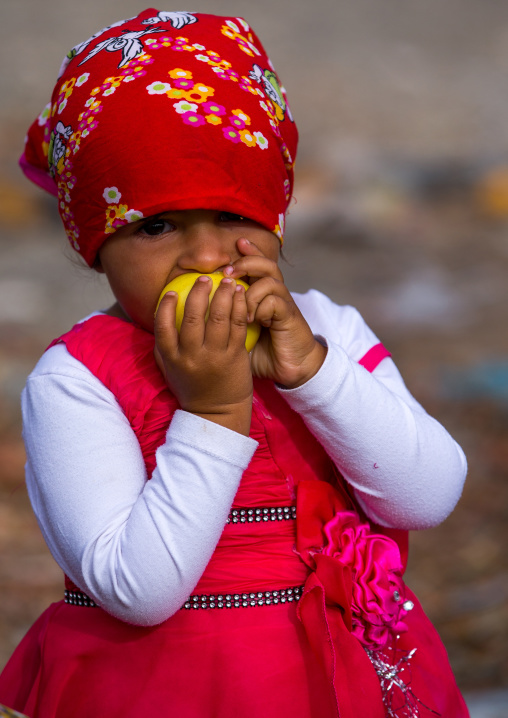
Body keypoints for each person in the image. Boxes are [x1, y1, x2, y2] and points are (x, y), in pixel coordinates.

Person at [0, 9, 469, 718]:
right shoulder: (78, 379)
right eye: (156, 227)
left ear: (275, 216)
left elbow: (427, 496)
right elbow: (135, 589)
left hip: (345, 682)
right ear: (94, 244)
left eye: (232, 216)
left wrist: (315, 372)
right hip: (163, 689)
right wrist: (212, 413)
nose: (207, 257)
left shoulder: (329, 330)